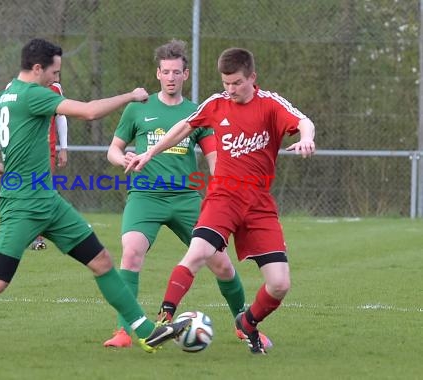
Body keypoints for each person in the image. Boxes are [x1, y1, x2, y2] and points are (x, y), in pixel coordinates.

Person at [0, 38, 191, 358]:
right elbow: (88, 113)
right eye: (54, 72)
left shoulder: (5, 96)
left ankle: (144, 332)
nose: (57, 79)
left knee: (102, 261)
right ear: (38, 68)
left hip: (50, 203)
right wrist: (132, 95)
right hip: (22, 207)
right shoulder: (33, 95)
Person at [126, 47, 316, 354]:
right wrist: (150, 152)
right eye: (226, 83)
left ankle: (247, 323)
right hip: (223, 196)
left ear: (252, 78)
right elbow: (183, 128)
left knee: (279, 284)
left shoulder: (269, 104)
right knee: (198, 251)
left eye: (237, 83)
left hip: (258, 204)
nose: (230, 90)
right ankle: (165, 318)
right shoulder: (216, 103)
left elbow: (304, 121)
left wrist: (306, 137)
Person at [103, 40, 271, 349]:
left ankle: (243, 324)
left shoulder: (197, 112)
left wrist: (227, 186)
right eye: (165, 72)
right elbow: (113, 149)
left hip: (187, 199)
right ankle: (125, 331)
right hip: (145, 197)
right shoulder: (137, 109)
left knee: (220, 262)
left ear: (186, 74)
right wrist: (122, 158)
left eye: (176, 72)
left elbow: (214, 158)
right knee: (131, 251)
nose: (170, 77)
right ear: (158, 74)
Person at [30, 81, 68, 251]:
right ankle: (21, 232)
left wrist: (64, 148)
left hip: (47, 150)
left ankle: (37, 236)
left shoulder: (54, 88)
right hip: (24, 151)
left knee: (42, 191)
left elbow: (61, 116)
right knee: (24, 191)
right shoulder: (16, 87)